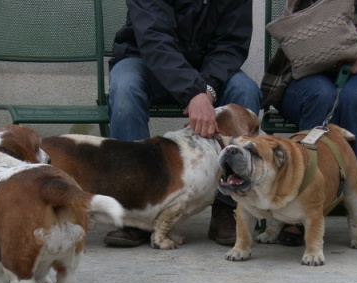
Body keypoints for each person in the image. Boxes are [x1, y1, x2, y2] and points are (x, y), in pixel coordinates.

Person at [260, 0, 357, 249]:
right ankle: (301, 208)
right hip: (305, 76)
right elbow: (293, 29)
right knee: (321, 95)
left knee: (355, 98)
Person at [105, 0, 262, 247]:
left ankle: (229, 207)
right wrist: (192, 92)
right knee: (125, 89)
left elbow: (231, 44)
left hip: (208, 68)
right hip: (146, 59)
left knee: (246, 91)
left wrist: (207, 88)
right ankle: (134, 212)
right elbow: (154, 36)